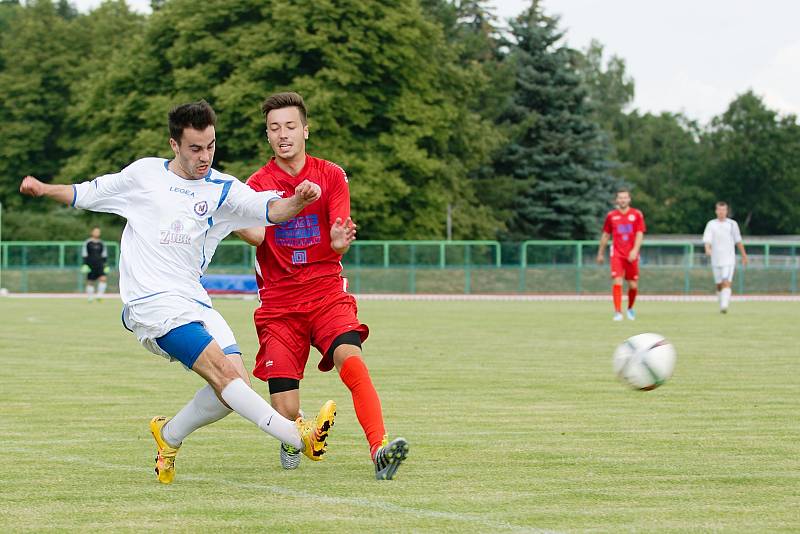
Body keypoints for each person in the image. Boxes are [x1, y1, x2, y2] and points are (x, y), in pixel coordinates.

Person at [19, 100, 336, 484]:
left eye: (211, 146)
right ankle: (296, 434)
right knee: (222, 373)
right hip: (150, 303)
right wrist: (41, 188)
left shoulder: (221, 187)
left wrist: (299, 200)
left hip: (194, 299)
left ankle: (168, 435)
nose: (205, 157)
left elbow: (271, 211)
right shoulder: (143, 176)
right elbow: (82, 193)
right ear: (174, 145)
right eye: (195, 149)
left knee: (232, 384)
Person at [236, 92, 408, 480]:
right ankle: (293, 432)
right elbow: (256, 235)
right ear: (267, 136)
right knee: (283, 407)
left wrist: (339, 240)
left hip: (327, 294)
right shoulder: (258, 184)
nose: (283, 134)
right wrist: (234, 221)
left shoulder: (331, 174)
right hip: (279, 305)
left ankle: (379, 449)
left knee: (352, 357)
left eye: (290, 126)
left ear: (305, 130)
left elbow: (338, 234)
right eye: (275, 128)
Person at [596, 188, 646, 321]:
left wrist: (635, 250)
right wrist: (600, 253)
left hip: (632, 255)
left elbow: (640, 233)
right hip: (617, 253)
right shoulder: (611, 216)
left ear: (629, 199)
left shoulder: (636, 214)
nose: (623, 200)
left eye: (625, 197)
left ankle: (630, 308)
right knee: (617, 281)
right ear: (616, 200)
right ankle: (618, 312)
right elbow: (606, 235)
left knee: (633, 285)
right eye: (620, 198)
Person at [702, 201, 748, 313]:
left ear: (727, 211)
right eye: (719, 210)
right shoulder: (711, 224)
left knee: (726, 281)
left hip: (729, 259)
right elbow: (707, 239)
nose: (721, 212)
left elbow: (738, 241)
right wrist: (707, 249)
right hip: (716, 259)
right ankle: (721, 302)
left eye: (724, 210)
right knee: (719, 285)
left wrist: (744, 255)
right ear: (716, 211)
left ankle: (724, 306)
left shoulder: (732, 224)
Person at [81, 226, 108, 302]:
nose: (97, 233)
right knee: (90, 281)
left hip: (100, 264)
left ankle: (99, 296)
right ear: (92, 232)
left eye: (98, 232)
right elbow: (84, 254)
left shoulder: (101, 243)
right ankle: (90, 297)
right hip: (90, 264)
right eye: (95, 231)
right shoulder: (88, 242)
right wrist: (85, 264)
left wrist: (105, 265)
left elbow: (104, 255)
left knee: (103, 279)